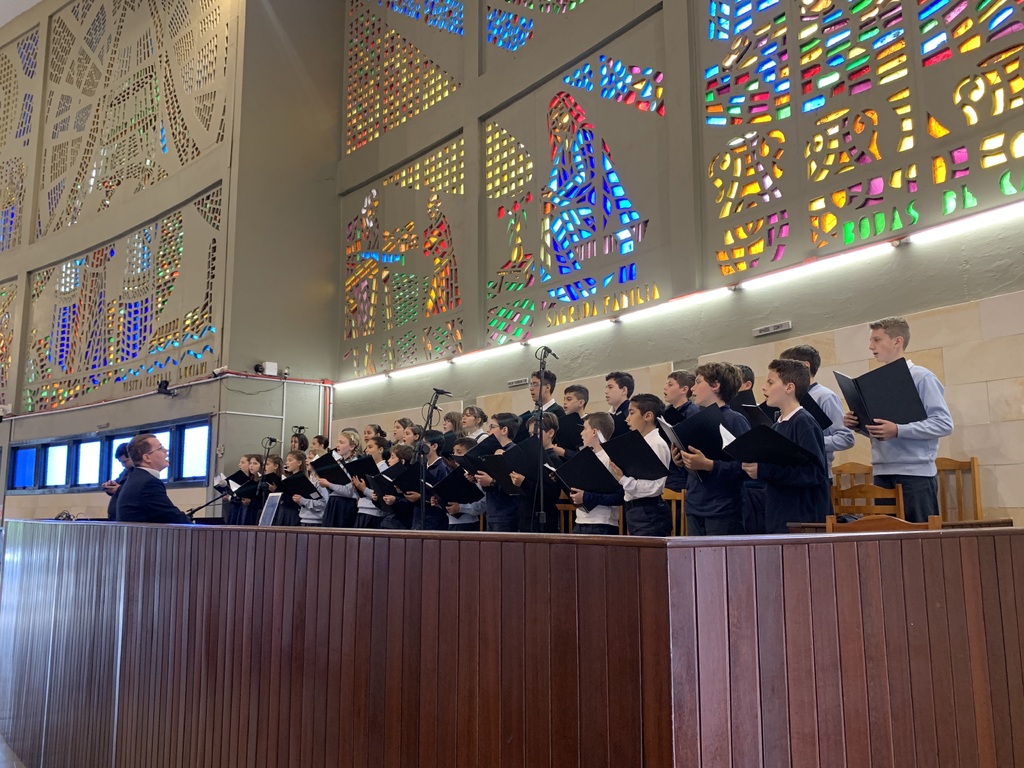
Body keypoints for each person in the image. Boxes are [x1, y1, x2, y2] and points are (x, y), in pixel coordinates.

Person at [842, 316, 954, 522]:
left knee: (919, 541)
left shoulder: (921, 376)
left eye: (877, 339)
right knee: (886, 541)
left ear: (897, 341)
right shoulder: (875, 382)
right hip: (882, 471)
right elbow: (883, 428)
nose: (870, 346)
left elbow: (944, 423)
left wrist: (898, 430)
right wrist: (858, 424)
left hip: (915, 474)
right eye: (870, 341)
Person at [742, 359, 831, 533]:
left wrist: (764, 471)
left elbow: (814, 474)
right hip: (779, 512)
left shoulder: (804, 422)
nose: (764, 388)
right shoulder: (777, 425)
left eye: (770, 382)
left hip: (802, 517)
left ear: (789, 387)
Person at [671, 362, 750, 536]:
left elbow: (746, 467)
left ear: (715, 385)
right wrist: (681, 461)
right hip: (695, 505)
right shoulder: (696, 419)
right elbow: (694, 467)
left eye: (698, 382)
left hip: (723, 509)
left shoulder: (735, 420)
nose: (693, 389)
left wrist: (710, 465)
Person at [779, 344, 855, 481]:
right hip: (791, 473)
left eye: (785, 368)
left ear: (805, 366)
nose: (781, 374)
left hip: (818, 474)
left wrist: (809, 441)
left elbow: (846, 438)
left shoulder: (825, 396)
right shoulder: (787, 396)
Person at [607, 393, 672, 536]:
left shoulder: (656, 444)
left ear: (648, 416)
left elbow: (656, 486)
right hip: (634, 510)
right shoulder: (639, 443)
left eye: (632, 413)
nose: (627, 418)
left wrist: (623, 479)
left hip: (649, 512)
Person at [116, 434, 192, 524]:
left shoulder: (136, 478)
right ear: (147, 458)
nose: (166, 451)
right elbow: (172, 517)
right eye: (160, 448)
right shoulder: (148, 483)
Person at [568, 412, 623, 535]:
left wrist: (586, 496)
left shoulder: (609, 458)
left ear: (594, 432)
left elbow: (618, 496)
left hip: (602, 522)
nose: (581, 433)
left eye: (585, 429)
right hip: (581, 520)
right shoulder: (586, 457)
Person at [509, 412, 562, 532]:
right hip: (525, 517)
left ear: (550, 433)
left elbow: (552, 493)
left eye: (536, 434)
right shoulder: (530, 457)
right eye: (530, 434)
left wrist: (524, 482)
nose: (532, 438)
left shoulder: (553, 460)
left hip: (543, 521)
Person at [474, 412, 521, 532]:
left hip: (507, 514)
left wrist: (491, 482)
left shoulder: (514, 452)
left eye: (492, 427)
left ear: (504, 430)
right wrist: (476, 477)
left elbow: (513, 487)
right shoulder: (493, 451)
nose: (488, 431)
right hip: (492, 511)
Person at [444, 438, 486, 531]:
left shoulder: (477, 474)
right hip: (450, 522)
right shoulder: (455, 472)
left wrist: (461, 508)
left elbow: (484, 502)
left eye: (459, 452)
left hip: (468, 523)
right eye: (453, 452)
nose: (454, 455)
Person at [103, 442, 132, 520]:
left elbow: (133, 492)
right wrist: (110, 485)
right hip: (116, 516)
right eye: (121, 462)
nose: (123, 465)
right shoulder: (125, 472)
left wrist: (118, 489)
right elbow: (118, 485)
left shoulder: (139, 474)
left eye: (125, 461)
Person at [604, 371, 634, 438]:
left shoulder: (629, 412)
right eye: (606, 387)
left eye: (610, 387)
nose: (606, 391)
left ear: (624, 390)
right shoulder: (610, 415)